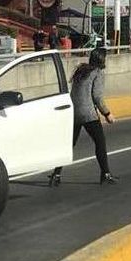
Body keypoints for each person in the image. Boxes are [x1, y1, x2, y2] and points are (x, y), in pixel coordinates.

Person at [48, 47, 119, 186]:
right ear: (101, 59)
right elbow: (97, 96)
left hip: (74, 112)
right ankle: (105, 174)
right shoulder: (98, 73)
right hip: (88, 114)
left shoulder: (81, 71)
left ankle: (56, 174)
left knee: (69, 144)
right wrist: (107, 113)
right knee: (100, 143)